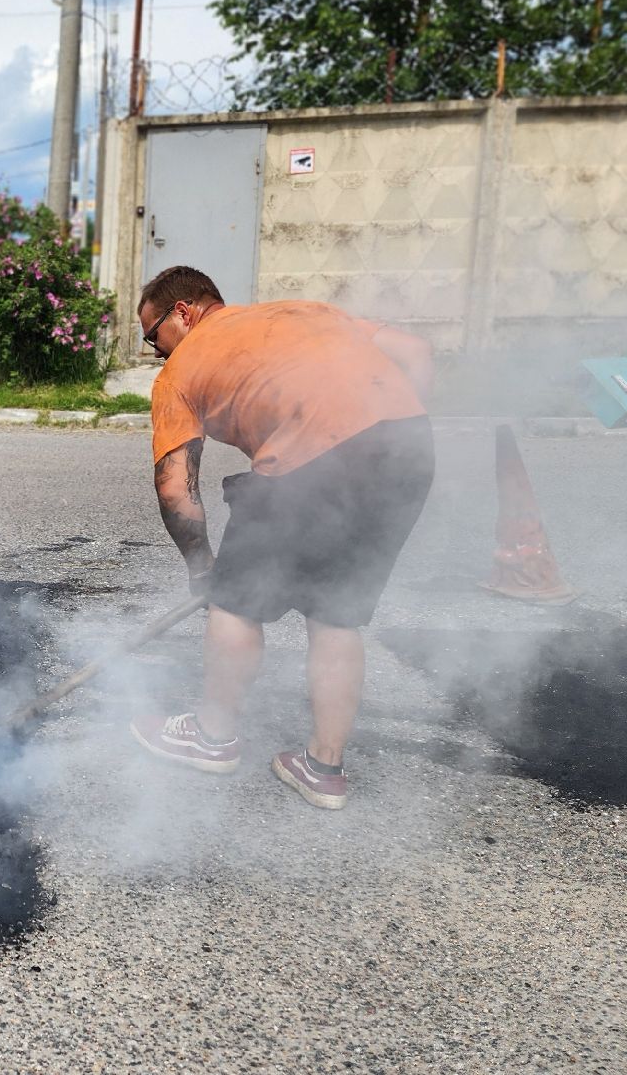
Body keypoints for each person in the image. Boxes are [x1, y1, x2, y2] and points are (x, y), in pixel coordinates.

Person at [127, 266, 435, 809]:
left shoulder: (179, 372)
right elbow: (415, 353)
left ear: (184, 312)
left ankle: (212, 736)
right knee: (336, 611)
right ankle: (323, 769)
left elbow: (176, 490)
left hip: (313, 457)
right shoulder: (305, 310)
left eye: (154, 336)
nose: (155, 352)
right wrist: (390, 436)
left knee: (235, 605)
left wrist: (204, 569)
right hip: (408, 451)